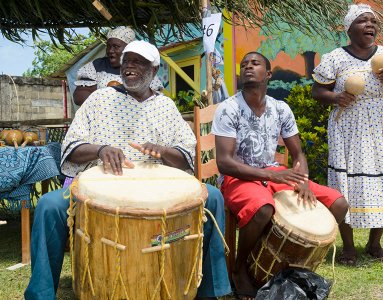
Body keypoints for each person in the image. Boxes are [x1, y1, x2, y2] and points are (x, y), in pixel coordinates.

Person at [24, 40, 231, 300]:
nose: (129, 66)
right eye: (127, 61)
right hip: (98, 186)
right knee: (48, 205)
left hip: (156, 189)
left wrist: (163, 151)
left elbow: (185, 157)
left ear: (154, 71)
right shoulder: (99, 99)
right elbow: (71, 146)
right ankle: (40, 294)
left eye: (138, 62)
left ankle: (209, 290)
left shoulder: (165, 107)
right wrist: (100, 150)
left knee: (212, 197)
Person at [211, 51, 349, 299]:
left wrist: (303, 180)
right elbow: (224, 163)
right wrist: (271, 176)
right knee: (263, 208)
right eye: (244, 65)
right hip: (238, 177)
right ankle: (240, 268)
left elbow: (298, 154)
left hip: (273, 173)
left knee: (338, 203)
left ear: (269, 74)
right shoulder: (228, 108)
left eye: (255, 63)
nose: (248, 67)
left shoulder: (280, 108)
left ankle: (298, 267)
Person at [312, 3, 383, 266]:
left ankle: (375, 243)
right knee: (345, 184)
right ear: (349, 28)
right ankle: (348, 247)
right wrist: (336, 96)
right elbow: (317, 92)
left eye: (373, 21)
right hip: (348, 128)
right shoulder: (334, 58)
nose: (370, 25)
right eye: (363, 21)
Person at [73, 26, 163, 106]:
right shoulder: (96, 66)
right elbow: (79, 97)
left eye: (116, 46)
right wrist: (107, 102)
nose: (110, 50)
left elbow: (155, 97)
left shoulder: (142, 68)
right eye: (108, 46)